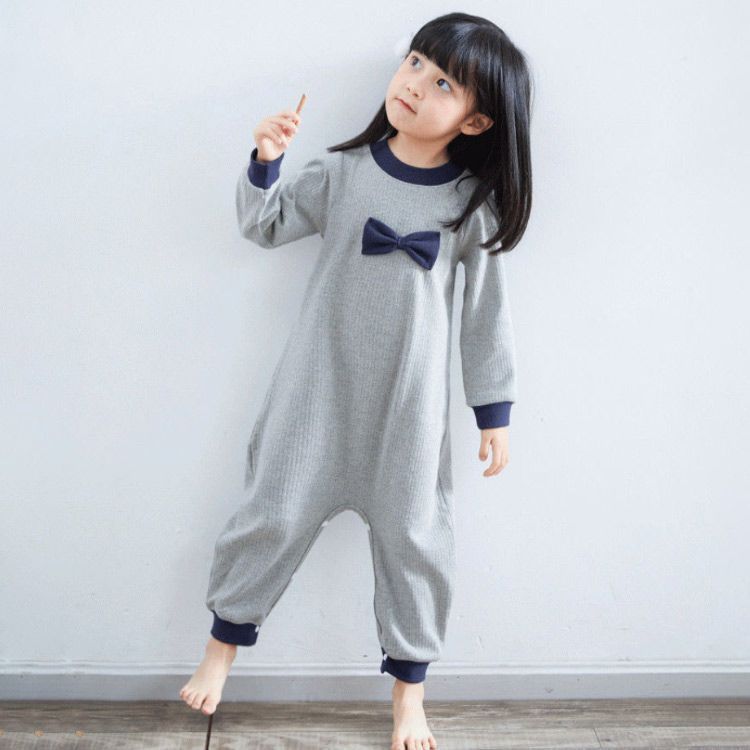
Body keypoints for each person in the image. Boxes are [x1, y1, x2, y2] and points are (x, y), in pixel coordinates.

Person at [180, 11, 532, 749]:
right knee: (271, 513)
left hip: (409, 410)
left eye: (444, 84)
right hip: (316, 392)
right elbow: (266, 224)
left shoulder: (470, 206)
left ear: (475, 122)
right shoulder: (344, 173)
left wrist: (492, 412)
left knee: (415, 542)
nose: (416, 84)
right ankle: (219, 653)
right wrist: (266, 160)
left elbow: (486, 317)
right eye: (415, 63)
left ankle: (409, 697)